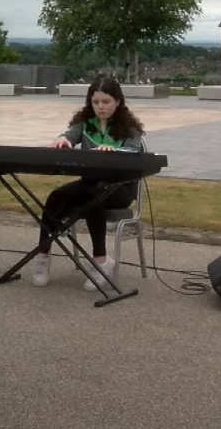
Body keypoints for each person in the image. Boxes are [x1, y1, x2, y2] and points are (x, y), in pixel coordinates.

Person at [31, 76, 145, 290]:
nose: (100, 107)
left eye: (106, 102)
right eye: (96, 102)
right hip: (91, 183)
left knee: (95, 198)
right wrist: (62, 140)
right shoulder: (85, 123)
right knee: (56, 197)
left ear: (118, 102)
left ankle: (101, 261)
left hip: (120, 187)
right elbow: (68, 135)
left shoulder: (129, 128)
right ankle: (43, 255)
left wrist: (114, 151)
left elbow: (134, 151)